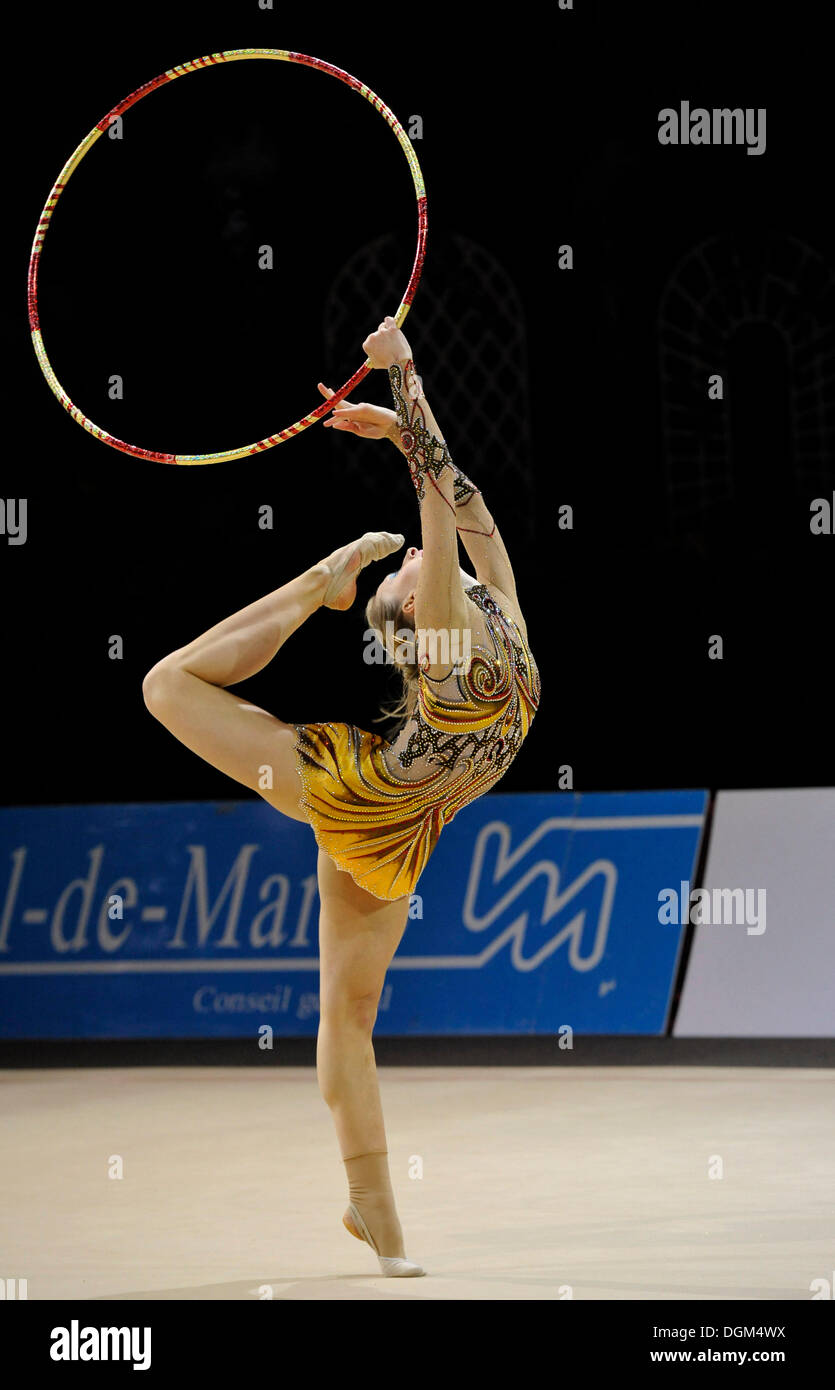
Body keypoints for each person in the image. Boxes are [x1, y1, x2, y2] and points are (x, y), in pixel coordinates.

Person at [142, 316, 541, 1277]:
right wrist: (405, 389)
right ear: (413, 612)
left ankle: (378, 1220)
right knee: (162, 687)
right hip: (370, 803)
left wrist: (410, 415)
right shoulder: (460, 630)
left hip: (392, 818)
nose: (412, 559)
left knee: (347, 1019)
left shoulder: (468, 619)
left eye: (406, 566)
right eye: (404, 572)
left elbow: (454, 498)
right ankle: (317, 585)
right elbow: (441, 505)